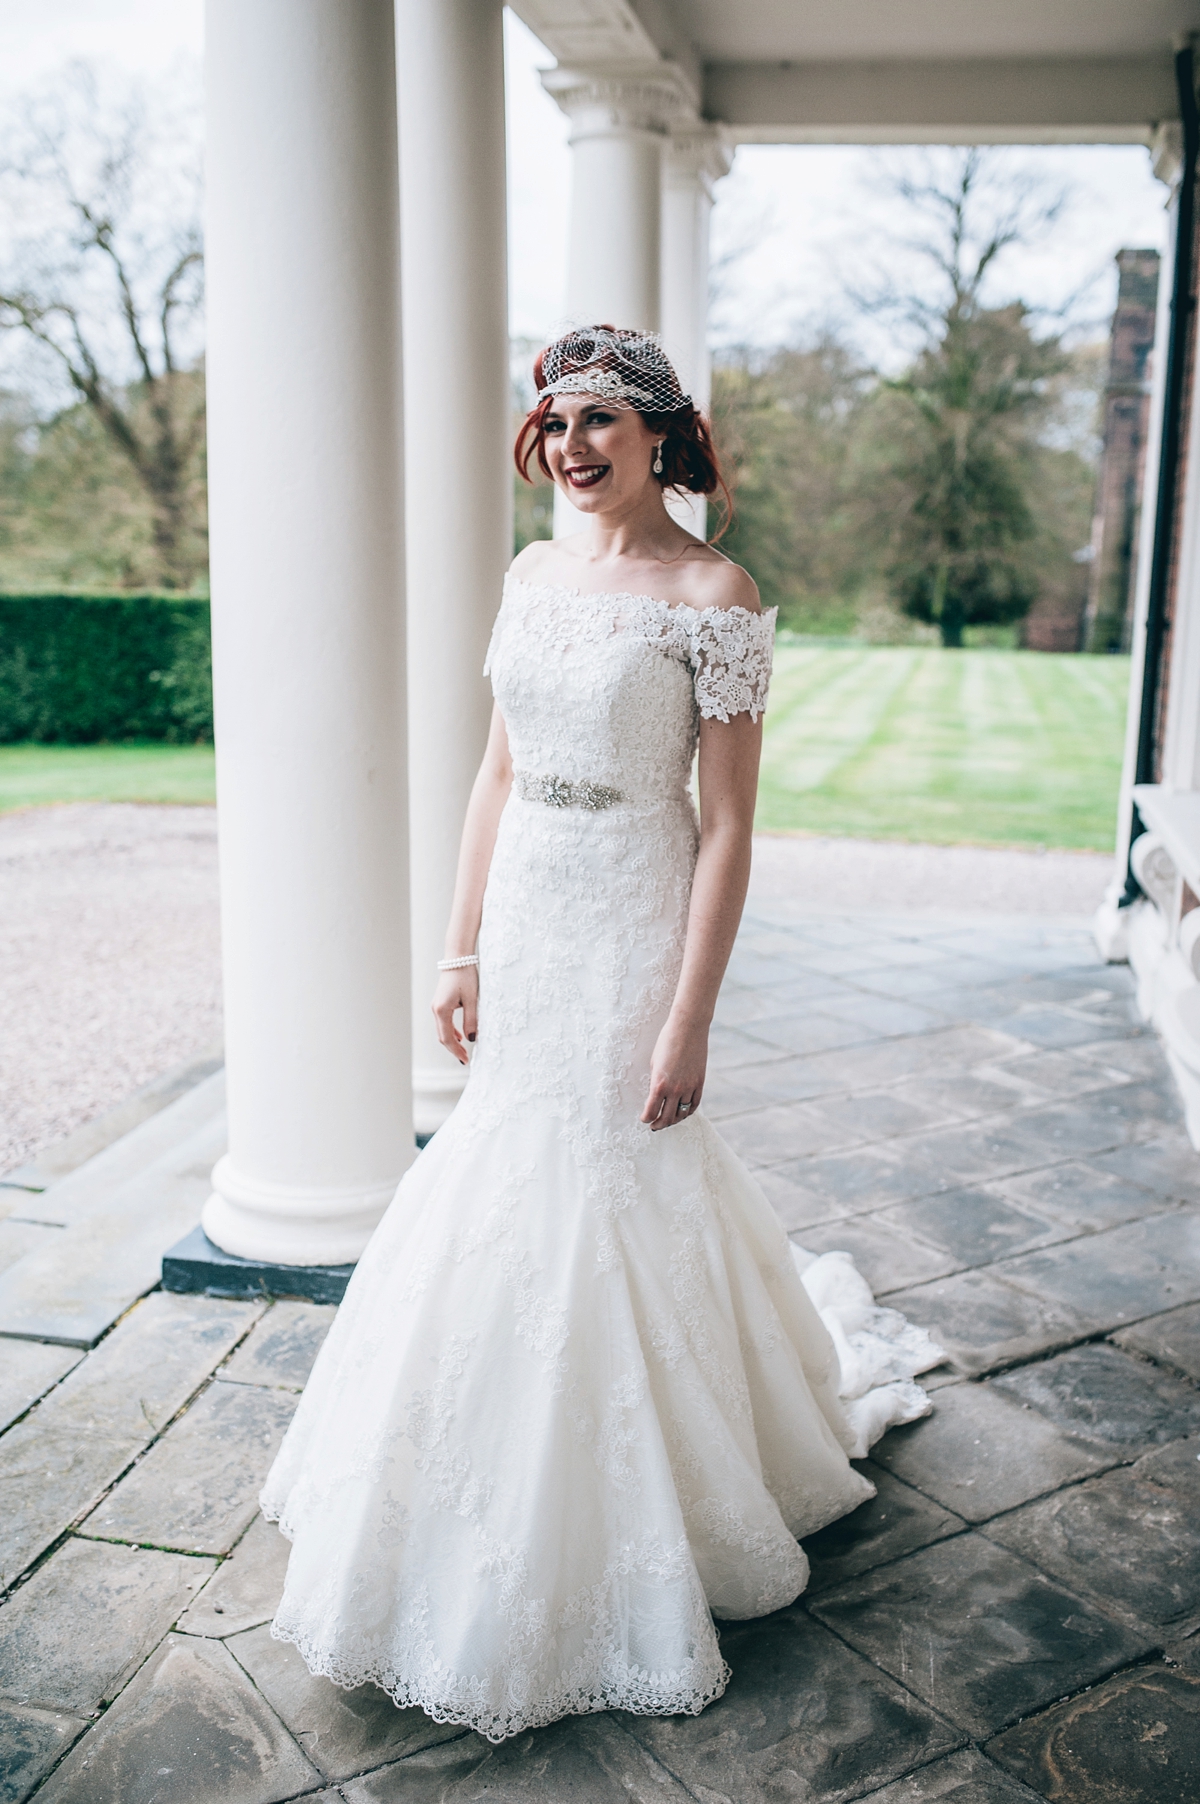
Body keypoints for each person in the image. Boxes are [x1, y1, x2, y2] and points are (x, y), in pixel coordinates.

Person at [260, 326, 941, 1742]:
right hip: (528, 906)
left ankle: (648, 1502)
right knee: (500, 1173)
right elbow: (496, 770)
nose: (569, 447)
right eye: (553, 424)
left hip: (636, 907)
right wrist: (457, 947)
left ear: (660, 439)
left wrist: (690, 1017)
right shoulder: (529, 575)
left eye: (597, 425)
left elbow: (735, 825)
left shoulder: (716, 593)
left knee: (615, 1174)